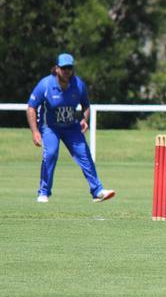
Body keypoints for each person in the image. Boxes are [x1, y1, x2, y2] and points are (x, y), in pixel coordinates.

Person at [27, 53, 115, 203]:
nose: (67, 71)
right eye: (64, 68)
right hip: (50, 127)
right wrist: (35, 131)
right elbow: (31, 108)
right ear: (56, 69)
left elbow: (86, 106)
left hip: (71, 127)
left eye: (70, 68)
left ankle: (97, 191)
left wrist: (85, 120)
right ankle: (43, 192)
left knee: (85, 156)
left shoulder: (78, 85)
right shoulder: (45, 85)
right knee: (51, 154)